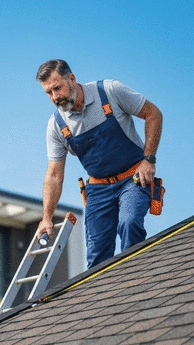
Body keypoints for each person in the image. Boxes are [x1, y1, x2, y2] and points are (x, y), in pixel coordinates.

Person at [36, 59, 163, 268]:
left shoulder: (110, 92)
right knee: (97, 256)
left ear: (72, 78)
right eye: (48, 93)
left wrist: (148, 159)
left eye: (57, 88)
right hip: (98, 189)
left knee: (129, 223)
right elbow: (54, 175)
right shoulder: (57, 126)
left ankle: (135, 283)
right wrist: (46, 217)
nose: (55, 97)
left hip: (133, 178)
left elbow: (153, 114)